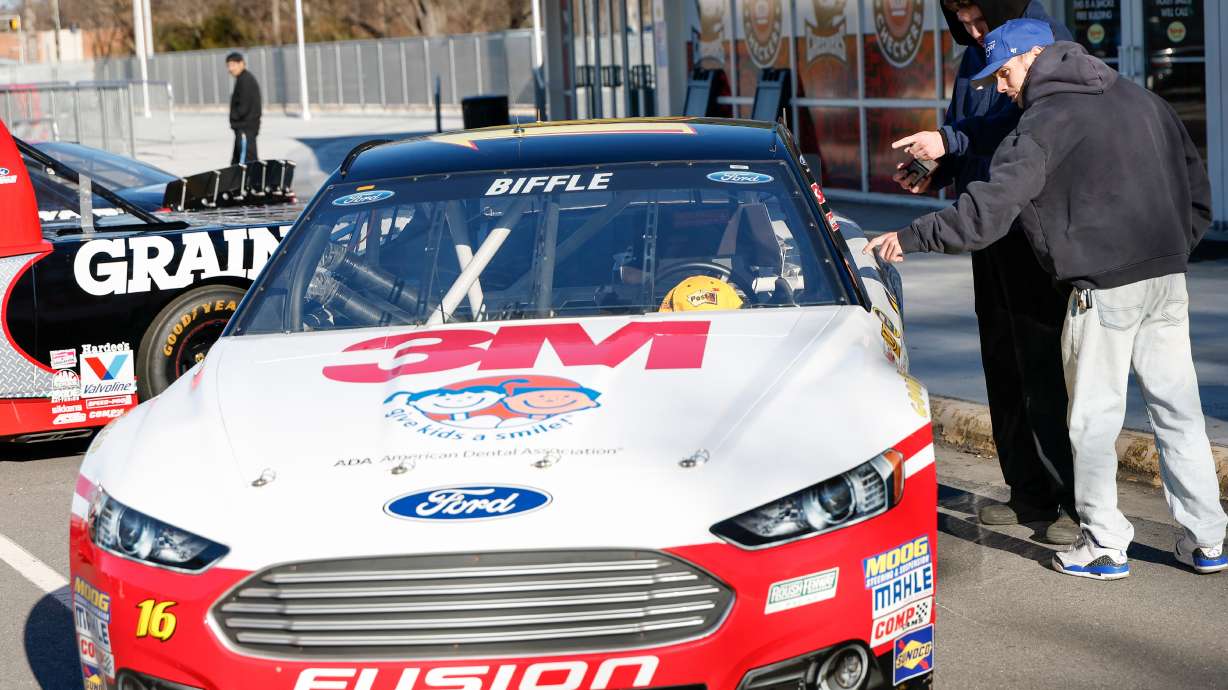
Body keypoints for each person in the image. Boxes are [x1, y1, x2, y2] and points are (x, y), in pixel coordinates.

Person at [865, 19, 1227, 580]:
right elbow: (1196, 186)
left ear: (1035, 56)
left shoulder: (1043, 122)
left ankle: (1105, 545)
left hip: (1102, 288)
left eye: (1005, 73)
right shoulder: (1141, 98)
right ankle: (1207, 540)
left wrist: (910, 237)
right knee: (1178, 412)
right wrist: (1174, 249)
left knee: (1092, 420)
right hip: (1167, 279)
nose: (1002, 88)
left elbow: (987, 212)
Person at [893, 0, 1078, 545]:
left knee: (1045, 369)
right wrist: (939, 168)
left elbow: (1028, 124)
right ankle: (1027, 494)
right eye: (964, 23)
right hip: (986, 227)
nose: (975, 32)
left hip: (1034, 232)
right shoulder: (973, 58)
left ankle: (1071, 501)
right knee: (1002, 364)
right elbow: (970, 133)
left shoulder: (1046, 39)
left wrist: (950, 141)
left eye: (980, 19)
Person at [226, 52, 261, 165]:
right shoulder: (242, 79)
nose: (230, 69)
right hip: (242, 128)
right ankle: (234, 182)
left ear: (241, 63)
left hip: (245, 128)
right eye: (228, 66)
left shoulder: (245, 80)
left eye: (232, 65)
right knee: (237, 161)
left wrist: (234, 119)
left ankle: (255, 182)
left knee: (248, 162)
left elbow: (243, 107)